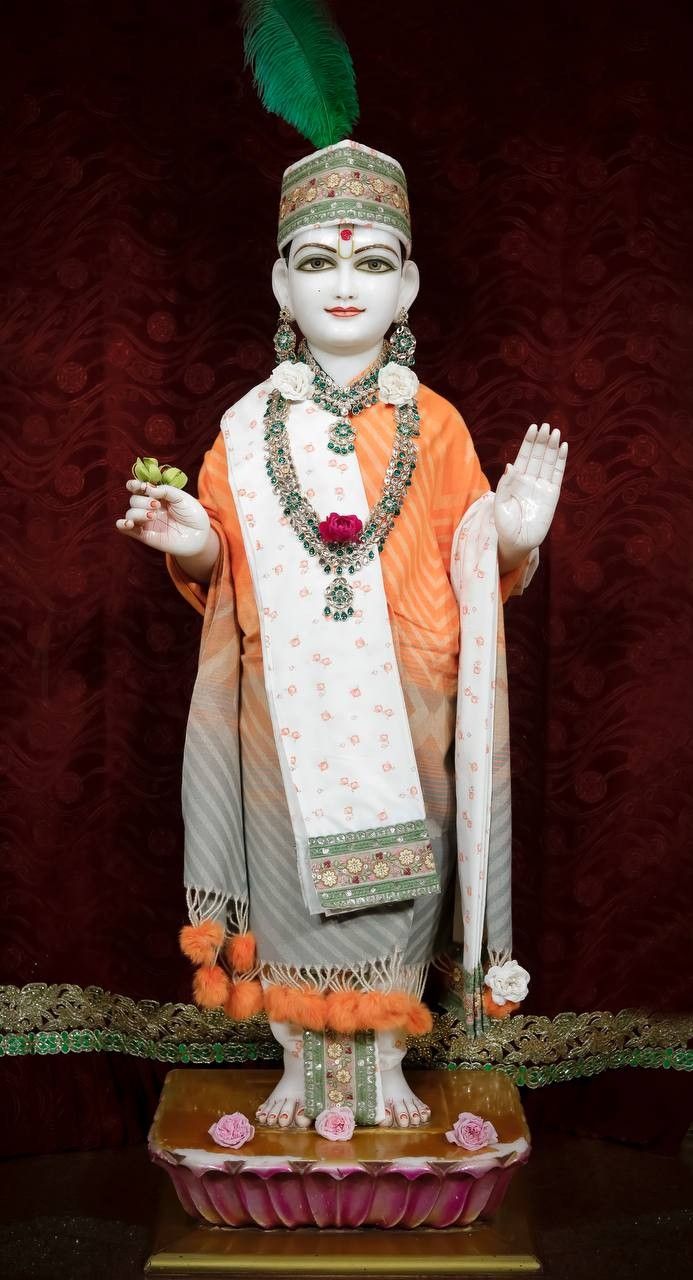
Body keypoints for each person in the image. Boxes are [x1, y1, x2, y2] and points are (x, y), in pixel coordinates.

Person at [116, 140, 567, 1129]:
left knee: (398, 894)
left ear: (408, 286)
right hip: (286, 717)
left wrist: (513, 531)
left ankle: (385, 1066)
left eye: (371, 263)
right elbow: (221, 568)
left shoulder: (436, 426)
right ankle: (300, 1070)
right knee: (293, 892)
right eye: (319, 261)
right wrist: (194, 542)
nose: (346, 285)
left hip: (412, 715)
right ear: (281, 284)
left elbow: (471, 551)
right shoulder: (243, 431)